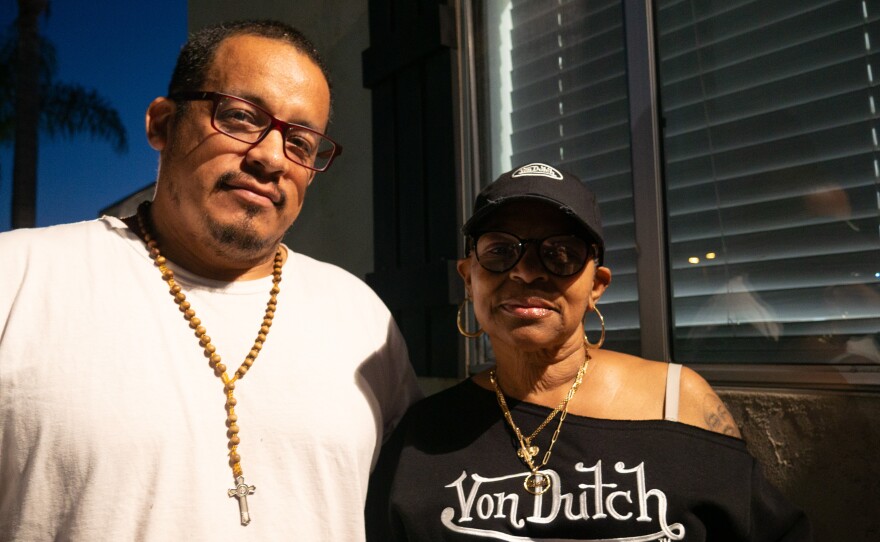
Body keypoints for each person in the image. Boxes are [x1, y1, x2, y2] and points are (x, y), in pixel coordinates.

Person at [0, 20, 420, 540]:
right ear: (163, 124)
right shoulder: (18, 279)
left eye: (301, 142)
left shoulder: (361, 318)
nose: (271, 157)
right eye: (241, 116)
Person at [366, 163, 811, 540]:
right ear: (469, 278)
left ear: (596, 285)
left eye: (559, 253)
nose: (526, 272)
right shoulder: (423, 437)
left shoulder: (678, 404)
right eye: (500, 251)